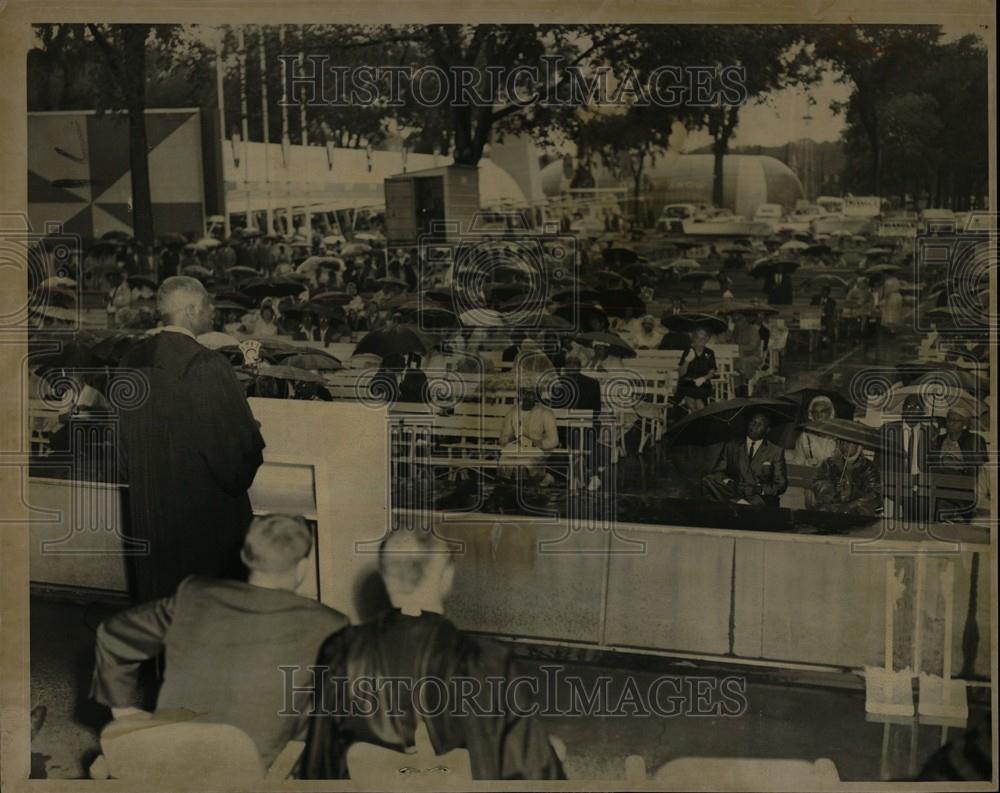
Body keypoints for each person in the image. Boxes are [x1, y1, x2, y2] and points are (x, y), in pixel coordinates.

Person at [299, 529, 566, 780]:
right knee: (552, 748)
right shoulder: (489, 661)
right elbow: (532, 771)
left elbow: (320, 763)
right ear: (447, 578)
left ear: (385, 577)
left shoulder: (340, 650)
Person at [90, 515, 346, 768]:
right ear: (302, 568)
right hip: (250, 769)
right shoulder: (330, 624)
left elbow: (113, 633)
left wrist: (122, 711)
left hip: (167, 753)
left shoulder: (193, 594)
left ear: (246, 557)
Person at [116, 277, 265, 601]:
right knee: (208, 611)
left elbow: (123, 455)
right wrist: (252, 432)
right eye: (208, 305)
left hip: (151, 515)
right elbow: (235, 458)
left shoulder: (129, 362)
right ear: (192, 309)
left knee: (162, 611)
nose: (212, 311)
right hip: (203, 517)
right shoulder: (208, 365)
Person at [702, 411, 788, 507]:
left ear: (767, 429)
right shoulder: (731, 446)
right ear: (747, 423)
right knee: (708, 480)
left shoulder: (775, 451)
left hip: (759, 497)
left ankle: (736, 504)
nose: (754, 426)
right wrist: (730, 483)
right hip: (734, 491)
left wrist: (758, 489)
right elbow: (718, 472)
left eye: (760, 424)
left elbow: (781, 484)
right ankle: (739, 503)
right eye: (752, 422)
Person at [882, 394, 936, 522]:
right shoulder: (889, 430)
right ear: (903, 410)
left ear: (923, 412)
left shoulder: (929, 433)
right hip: (894, 485)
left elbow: (933, 464)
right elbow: (879, 462)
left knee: (919, 525)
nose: (912, 409)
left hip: (920, 487)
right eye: (909, 406)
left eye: (917, 406)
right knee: (893, 526)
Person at [498, 387, 559, 484]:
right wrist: (510, 438)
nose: (527, 397)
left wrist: (535, 441)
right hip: (515, 448)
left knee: (525, 464)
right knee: (505, 463)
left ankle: (542, 479)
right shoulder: (513, 412)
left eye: (531, 394)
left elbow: (554, 440)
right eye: (524, 393)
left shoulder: (546, 413)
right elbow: (503, 438)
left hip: (536, 449)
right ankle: (510, 485)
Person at [809, 438, 881, 515]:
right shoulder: (829, 464)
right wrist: (833, 488)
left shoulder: (868, 467)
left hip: (856, 512)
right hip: (832, 509)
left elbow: (874, 494)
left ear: (859, 446)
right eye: (843, 442)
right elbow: (819, 483)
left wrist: (850, 504)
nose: (846, 445)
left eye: (850, 443)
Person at [787, 396, 838, 467]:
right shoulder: (805, 436)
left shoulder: (839, 434)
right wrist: (807, 463)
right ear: (811, 414)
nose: (819, 415)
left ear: (830, 412)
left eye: (823, 411)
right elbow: (798, 461)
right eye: (815, 412)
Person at [675, 327, 716, 411]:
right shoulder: (688, 351)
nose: (701, 340)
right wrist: (687, 361)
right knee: (692, 404)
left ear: (707, 339)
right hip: (687, 383)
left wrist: (704, 378)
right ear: (694, 338)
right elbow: (681, 374)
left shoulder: (709, 353)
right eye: (698, 337)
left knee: (700, 404)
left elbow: (712, 371)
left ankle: (698, 421)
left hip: (702, 384)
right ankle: (696, 421)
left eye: (704, 337)